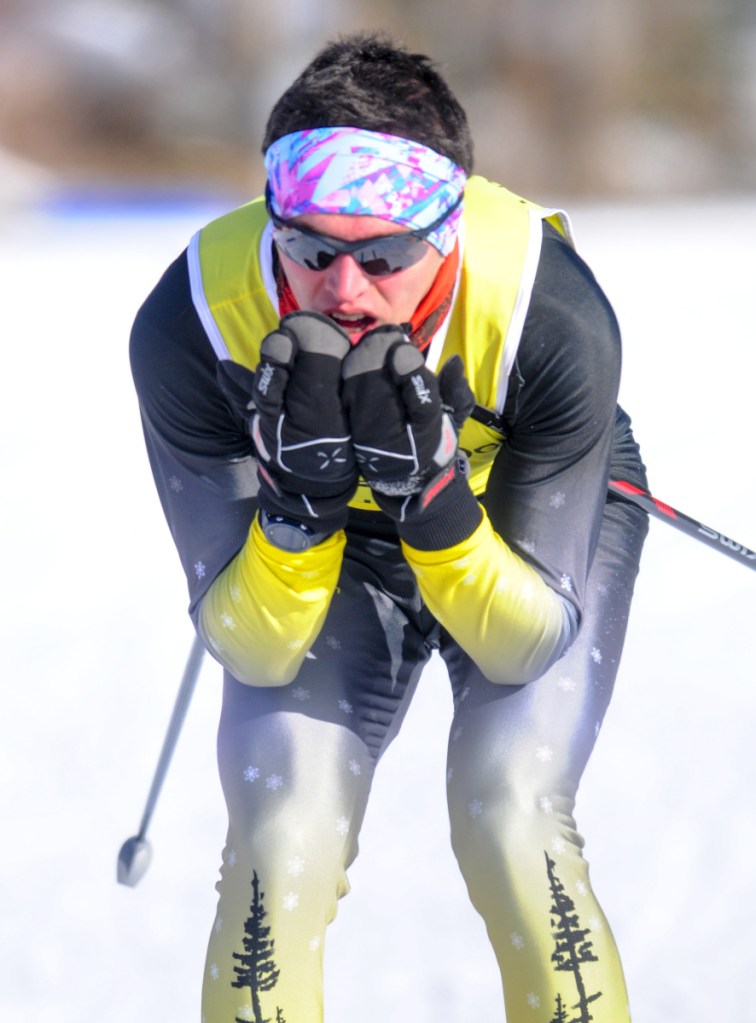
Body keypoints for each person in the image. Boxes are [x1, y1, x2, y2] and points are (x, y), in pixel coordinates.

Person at [130, 30, 648, 1023]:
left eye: (386, 256)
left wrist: (435, 505)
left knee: (511, 811)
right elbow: (251, 644)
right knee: (280, 823)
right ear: (272, 222)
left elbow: (521, 641)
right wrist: (296, 507)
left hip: (508, 522)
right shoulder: (193, 322)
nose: (343, 290)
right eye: (310, 248)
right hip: (333, 542)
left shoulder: (549, 314)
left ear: (447, 233)